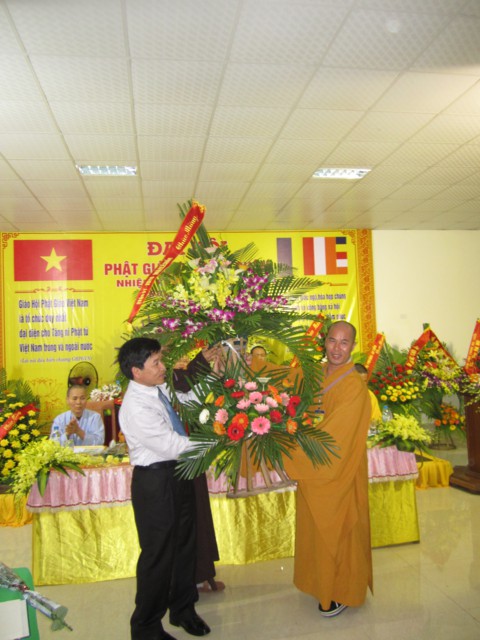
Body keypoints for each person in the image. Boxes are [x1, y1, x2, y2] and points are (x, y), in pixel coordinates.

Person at [117, 337, 210, 640]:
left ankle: (183, 609)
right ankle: (145, 626)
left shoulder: (158, 388)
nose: (162, 366)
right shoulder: (135, 407)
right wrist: (212, 443)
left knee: (185, 546)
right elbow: (170, 445)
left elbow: (186, 402)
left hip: (178, 475)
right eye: (155, 362)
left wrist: (214, 382)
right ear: (136, 371)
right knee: (158, 556)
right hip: (155, 482)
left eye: (161, 359)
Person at [284, 321, 373, 617]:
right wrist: (251, 364)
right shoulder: (317, 373)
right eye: (332, 341)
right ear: (324, 342)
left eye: (344, 343)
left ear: (353, 346)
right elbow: (285, 379)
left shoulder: (354, 387)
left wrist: (291, 451)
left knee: (340, 530)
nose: (337, 348)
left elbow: (335, 437)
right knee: (315, 531)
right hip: (315, 470)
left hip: (340, 470)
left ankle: (342, 590)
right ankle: (318, 582)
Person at [172, 347, 225, 594]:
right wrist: (204, 363)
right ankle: (190, 578)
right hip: (176, 460)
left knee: (198, 513)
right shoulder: (158, 383)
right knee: (187, 518)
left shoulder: (171, 378)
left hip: (191, 457)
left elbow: (191, 395)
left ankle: (200, 574)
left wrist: (214, 371)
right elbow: (185, 391)